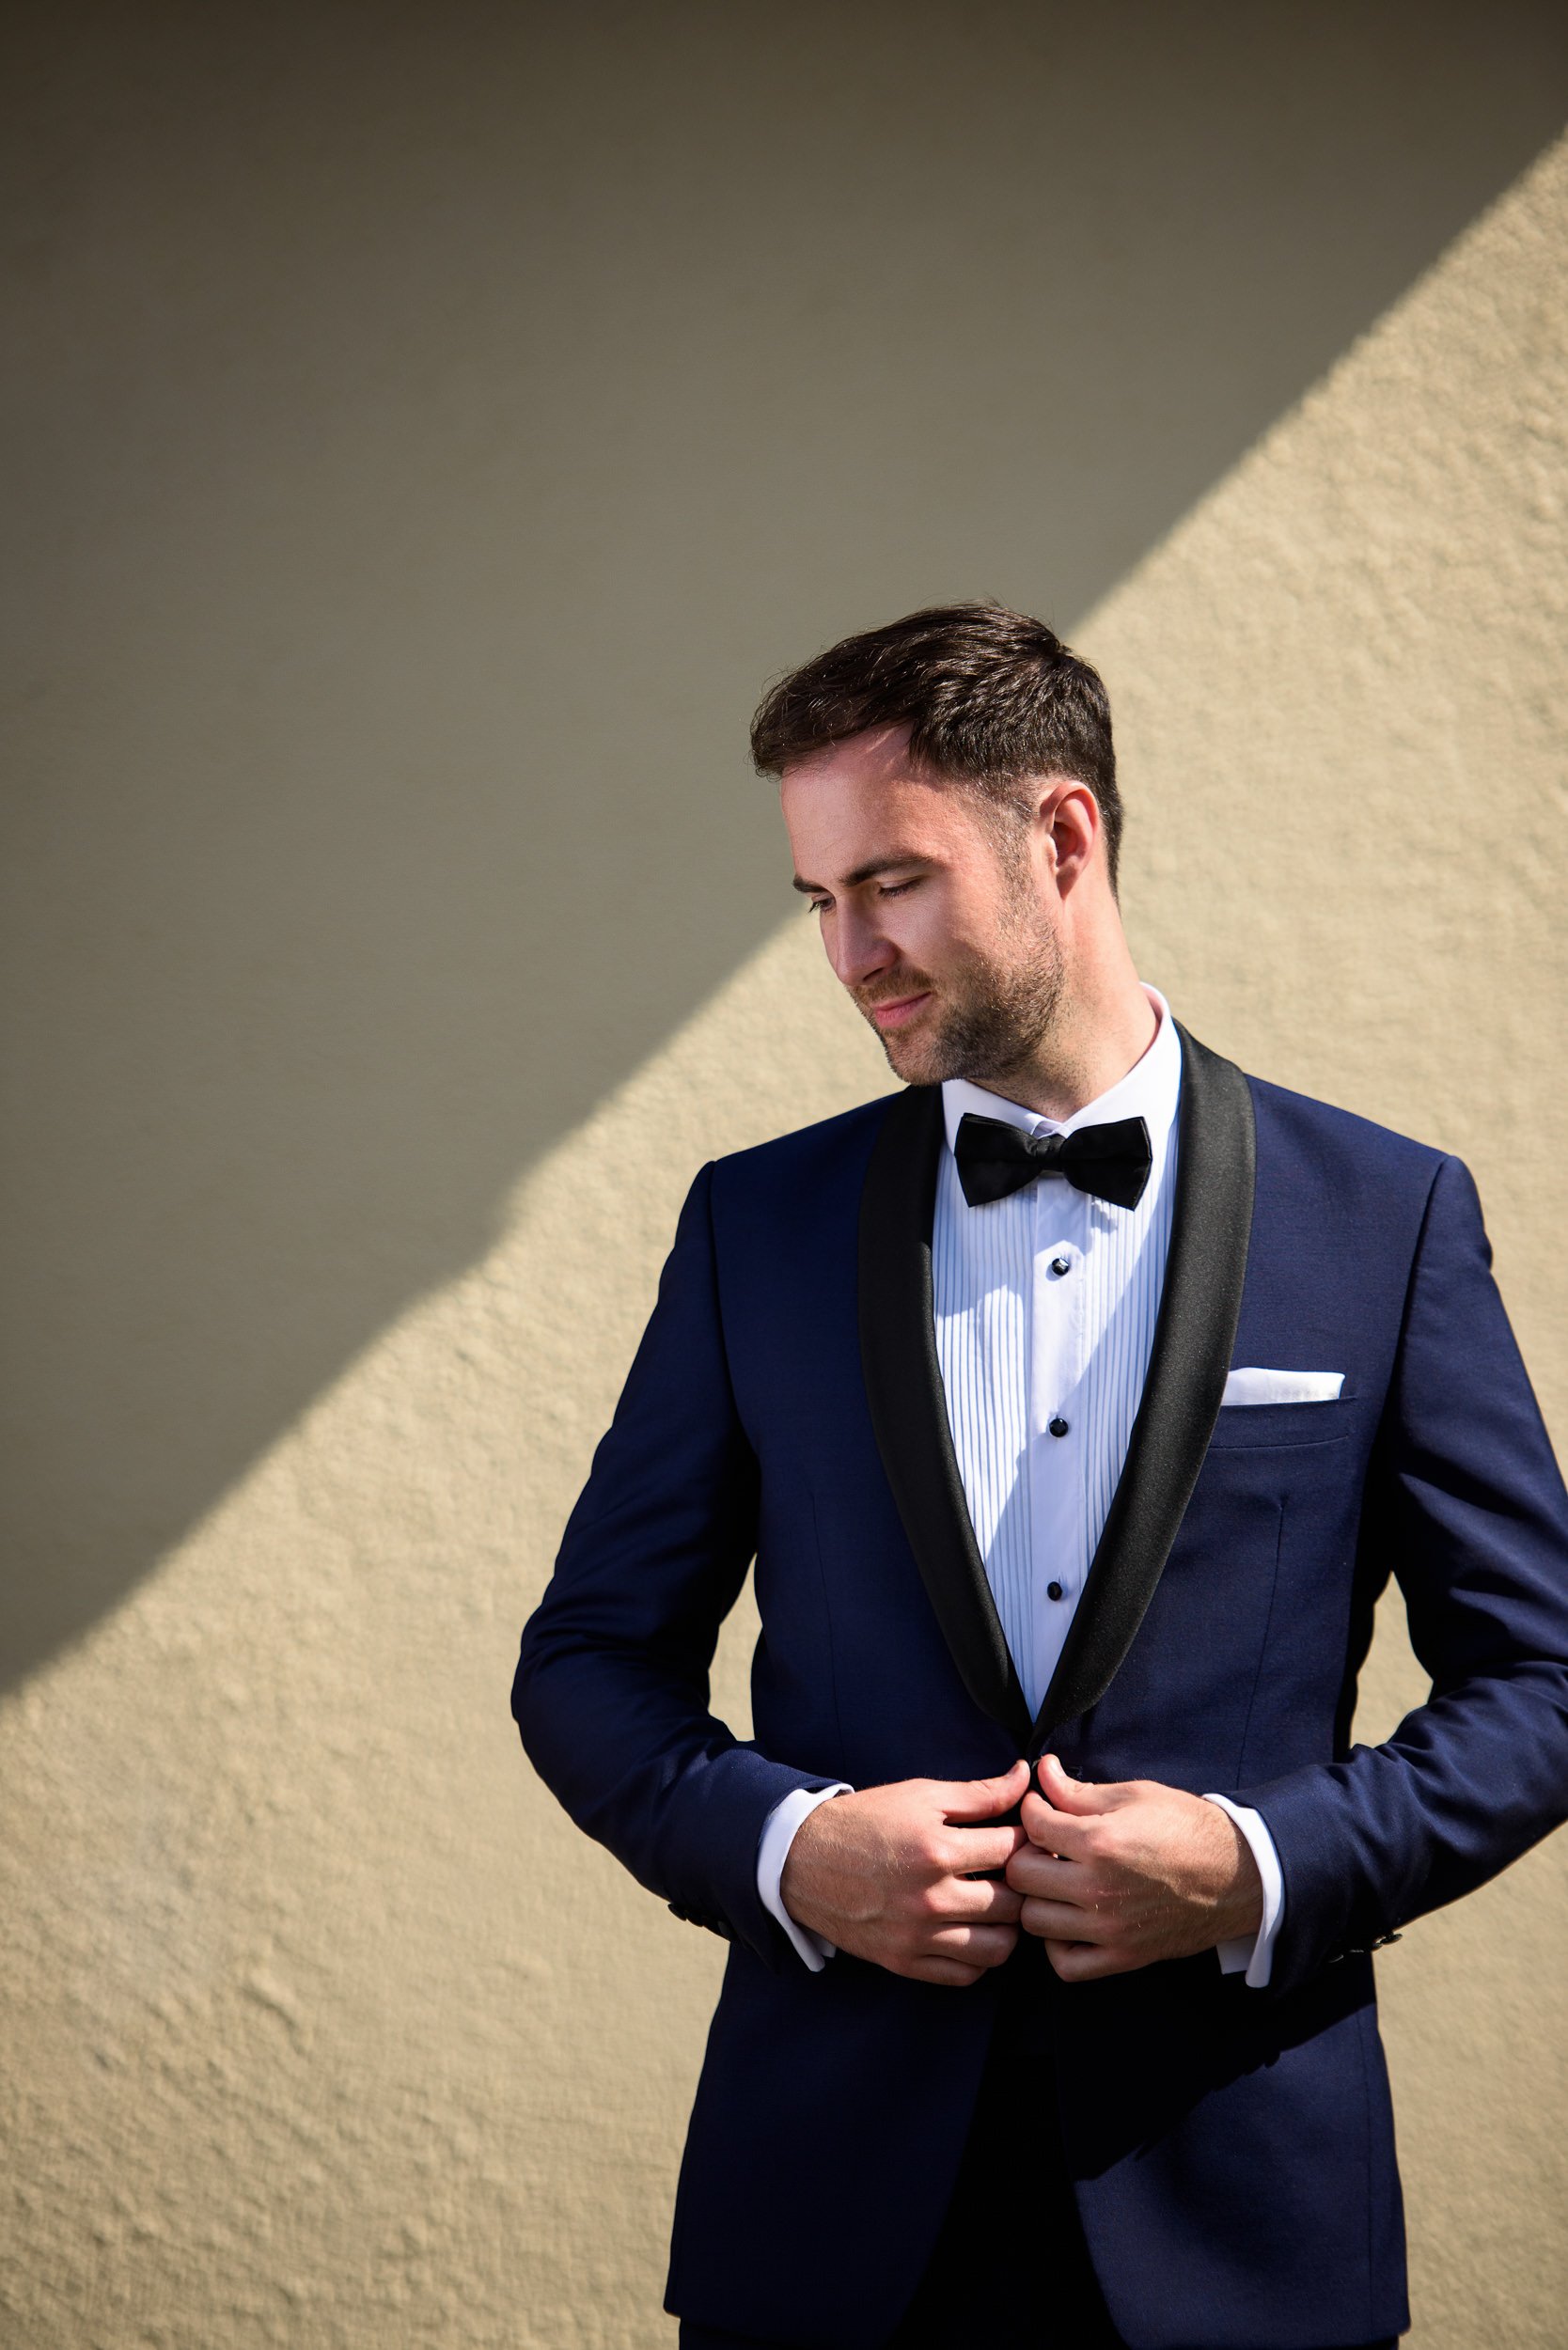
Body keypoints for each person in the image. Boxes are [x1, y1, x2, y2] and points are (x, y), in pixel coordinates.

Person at [511, 603, 1568, 2350]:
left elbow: (1541, 1677)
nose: (850, 952)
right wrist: (788, 1849)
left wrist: (1260, 1866)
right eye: (819, 900)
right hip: (827, 2226)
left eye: (892, 883)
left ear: (1061, 837)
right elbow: (585, 1661)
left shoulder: (1384, 1219)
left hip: (1242, 2220)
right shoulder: (752, 1228)